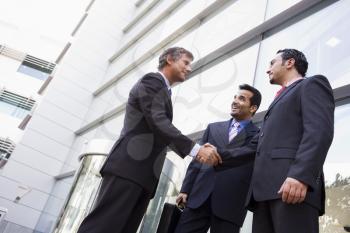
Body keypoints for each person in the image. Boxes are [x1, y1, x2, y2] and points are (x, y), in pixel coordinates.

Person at [77, 47, 221, 233]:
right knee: (103, 226)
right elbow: (158, 121)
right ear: (169, 59)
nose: (189, 68)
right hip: (128, 168)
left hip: (142, 174)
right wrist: (196, 150)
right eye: (186, 62)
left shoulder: (163, 90)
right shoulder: (152, 81)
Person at [215, 49, 335, 233]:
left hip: (293, 189)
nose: (267, 69)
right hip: (264, 194)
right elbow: (256, 146)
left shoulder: (311, 84)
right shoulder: (278, 99)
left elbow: (319, 132)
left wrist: (300, 175)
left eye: (272, 63)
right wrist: (217, 156)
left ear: (289, 63)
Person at [174, 84, 261, 233]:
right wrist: (185, 189)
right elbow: (197, 161)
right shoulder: (213, 128)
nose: (234, 101)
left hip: (231, 202)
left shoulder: (259, 135)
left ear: (252, 108)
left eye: (241, 99)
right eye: (235, 97)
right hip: (199, 196)